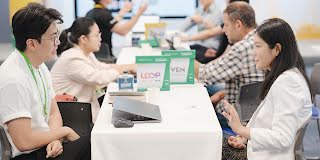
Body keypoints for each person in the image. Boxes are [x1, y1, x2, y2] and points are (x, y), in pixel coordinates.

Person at [0, 3, 90, 160]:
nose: (58, 42)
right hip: (29, 155)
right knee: (94, 143)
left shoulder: (39, 66)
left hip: (46, 146)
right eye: (53, 37)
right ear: (32, 43)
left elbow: (53, 113)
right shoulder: (13, 78)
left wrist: (55, 138)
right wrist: (64, 132)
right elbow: (24, 141)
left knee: (97, 139)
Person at [221, 18, 313, 159]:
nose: (253, 54)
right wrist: (243, 137)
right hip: (259, 150)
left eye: (258, 46)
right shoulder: (285, 76)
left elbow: (282, 138)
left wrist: (241, 129)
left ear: (276, 49)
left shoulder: (288, 83)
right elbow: (268, 122)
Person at [51, 17, 135, 123]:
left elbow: (103, 67)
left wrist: (128, 67)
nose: (100, 38)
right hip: (72, 115)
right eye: (96, 35)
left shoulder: (86, 53)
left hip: (83, 109)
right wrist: (123, 70)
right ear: (83, 39)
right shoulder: (72, 58)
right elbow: (98, 78)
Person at [194, 1, 264, 128]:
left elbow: (205, 75)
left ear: (238, 24)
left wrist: (182, 58)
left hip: (237, 120)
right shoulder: (260, 39)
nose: (224, 30)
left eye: (226, 25)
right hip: (253, 114)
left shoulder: (243, 48)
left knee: (194, 115)